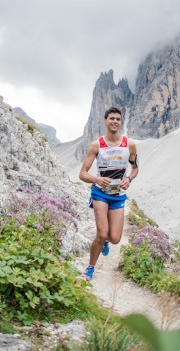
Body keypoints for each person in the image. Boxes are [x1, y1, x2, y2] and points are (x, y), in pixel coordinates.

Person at [78, 106, 138, 281]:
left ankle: (105, 241)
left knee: (115, 238)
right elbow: (82, 173)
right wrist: (97, 180)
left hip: (118, 195)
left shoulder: (130, 145)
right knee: (102, 233)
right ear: (105, 121)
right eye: (111, 118)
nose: (115, 122)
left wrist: (129, 179)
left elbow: (135, 169)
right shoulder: (97, 145)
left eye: (118, 119)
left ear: (121, 122)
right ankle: (90, 268)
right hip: (100, 193)